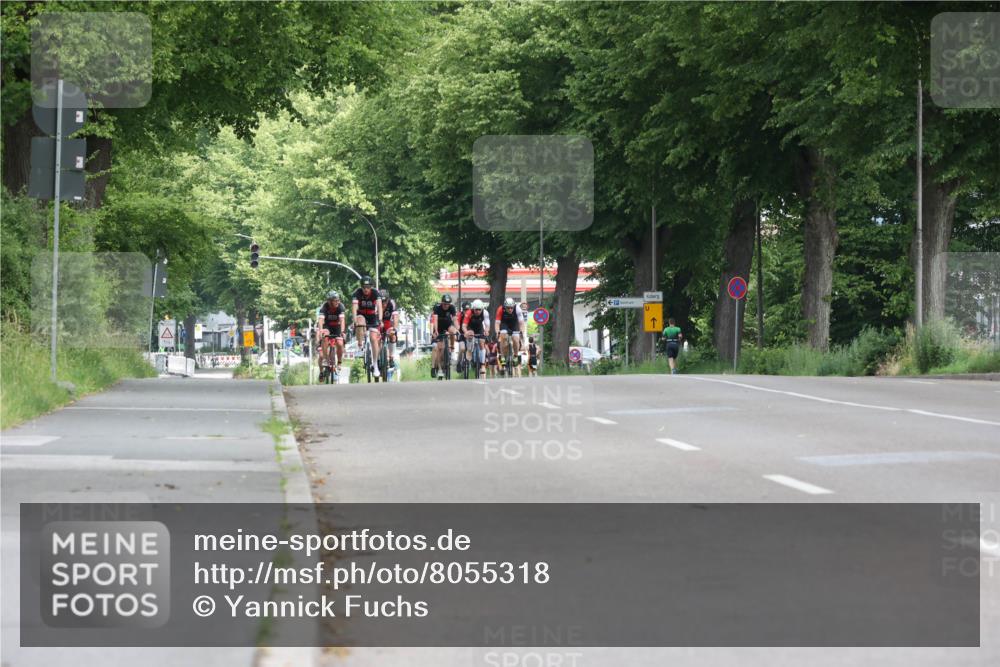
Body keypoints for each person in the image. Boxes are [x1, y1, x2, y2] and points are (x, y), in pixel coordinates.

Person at [351, 276, 383, 378]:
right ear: (361, 287)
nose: (366, 289)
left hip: (372, 316)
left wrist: (381, 320)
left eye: (368, 287)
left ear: (371, 287)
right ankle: (360, 346)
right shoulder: (357, 293)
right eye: (364, 287)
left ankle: (375, 365)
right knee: (359, 321)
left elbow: (379, 307)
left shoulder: (375, 293)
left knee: (374, 339)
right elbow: (354, 308)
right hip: (361, 315)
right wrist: (354, 321)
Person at [317, 290, 346, 380]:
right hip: (327, 327)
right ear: (329, 301)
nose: (338, 302)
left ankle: (339, 362)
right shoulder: (324, 307)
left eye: (338, 300)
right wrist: (321, 330)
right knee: (325, 338)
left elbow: (342, 321)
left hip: (337, 327)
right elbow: (321, 321)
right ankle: (325, 360)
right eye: (335, 300)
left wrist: (342, 331)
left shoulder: (340, 306)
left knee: (340, 343)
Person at [430, 294, 459, 379]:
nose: (446, 306)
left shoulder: (452, 307)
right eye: (445, 304)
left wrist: (457, 328)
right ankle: (439, 369)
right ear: (442, 303)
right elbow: (435, 320)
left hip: (448, 326)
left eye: (448, 304)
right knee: (439, 349)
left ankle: (452, 349)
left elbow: (454, 319)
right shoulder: (437, 307)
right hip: (438, 328)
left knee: (453, 331)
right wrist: (436, 331)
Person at [495, 297, 525, 377]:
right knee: (503, 336)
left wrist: (522, 331)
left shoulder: (517, 309)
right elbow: (497, 324)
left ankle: (515, 356)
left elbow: (521, 323)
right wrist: (498, 331)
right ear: (505, 307)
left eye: (511, 307)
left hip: (514, 324)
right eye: (508, 308)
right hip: (504, 323)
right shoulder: (500, 309)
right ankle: (502, 356)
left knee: (516, 338)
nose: (510, 309)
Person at [461, 299, 490, 378]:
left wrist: (486, 331)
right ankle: (469, 350)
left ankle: (482, 365)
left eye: (479, 310)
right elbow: (463, 326)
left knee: (481, 342)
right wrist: (466, 332)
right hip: (470, 327)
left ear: (482, 309)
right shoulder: (469, 313)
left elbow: (487, 325)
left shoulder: (485, 313)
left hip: (479, 328)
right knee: (470, 335)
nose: (477, 311)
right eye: (476, 309)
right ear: (473, 309)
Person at [379, 289, 400, 370]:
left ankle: (391, 357)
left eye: (385, 301)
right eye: (382, 302)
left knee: (393, 335)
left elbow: (395, 317)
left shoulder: (392, 303)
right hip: (378, 323)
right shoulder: (376, 303)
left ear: (388, 299)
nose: (384, 304)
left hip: (388, 322)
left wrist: (394, 329)